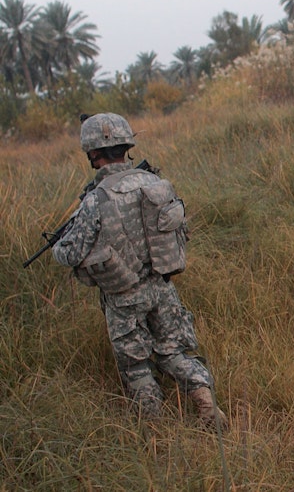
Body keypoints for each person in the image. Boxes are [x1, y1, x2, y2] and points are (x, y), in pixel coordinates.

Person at [52, 113, 227, 428]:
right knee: (175, 352)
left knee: (136, 365)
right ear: (126, 145)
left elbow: (73, 253)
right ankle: (208, 410)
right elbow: (180, 231)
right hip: (162, 287)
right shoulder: (155, 183)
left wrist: (57, 247)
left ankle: (155, 433)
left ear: (93, 152)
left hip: (124, 296)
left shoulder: (95, 199)